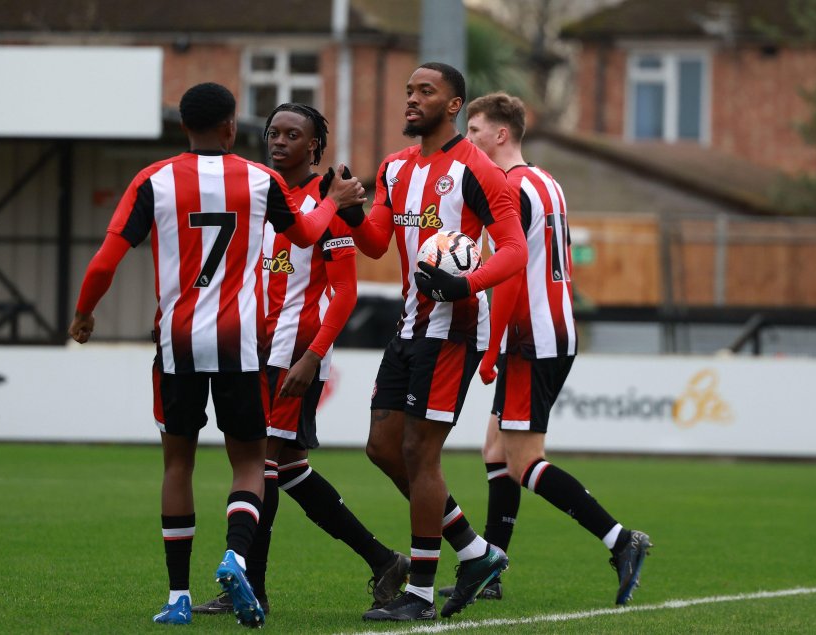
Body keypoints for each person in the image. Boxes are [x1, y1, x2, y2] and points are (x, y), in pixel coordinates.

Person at [68, 83, 366, 628]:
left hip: (177, 342)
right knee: (252, 462)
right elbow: (304, 236)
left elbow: (105, 262)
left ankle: (178, 595)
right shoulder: (261, 180)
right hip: (240, 342)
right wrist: (333, 202)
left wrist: (86, 312)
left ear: (184, 126)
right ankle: (235, 556)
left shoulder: (152, 181)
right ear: (233, 128)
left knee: (177, 464)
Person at [192, 103, 409, 617]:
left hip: (294, 353)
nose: (280, 141)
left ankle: (248, 587)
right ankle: (382, 560)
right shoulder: (262, 192)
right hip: (253, 349)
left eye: (293, 134)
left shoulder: (326, 198)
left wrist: (312, 357)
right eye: (273, 132)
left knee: (261, 464)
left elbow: (346, 291)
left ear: (315, 145)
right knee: (284, 467)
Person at [439, 91, 651, 606]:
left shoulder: (507, 188)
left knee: (524, 461)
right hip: (557, 328)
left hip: (528, 337)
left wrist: (490, 353)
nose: (469, 140)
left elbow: (510, 275)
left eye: (475, 130)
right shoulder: (546, 180)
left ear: (501, 135)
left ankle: (620, 539)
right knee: (496, 451)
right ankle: (491, 569)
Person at [334, 62, 528, 621]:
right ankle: (473, 550)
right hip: (411, 323)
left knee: (421, 453)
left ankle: (419, 593)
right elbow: (374, 244)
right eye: (408, 92)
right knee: (382, 446)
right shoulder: (394, 168)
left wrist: (464, 281)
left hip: (456, 326)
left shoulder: (478, 170)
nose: (411, 100)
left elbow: (513, 250)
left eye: (425, 92)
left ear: (454, 106)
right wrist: (348, 208)